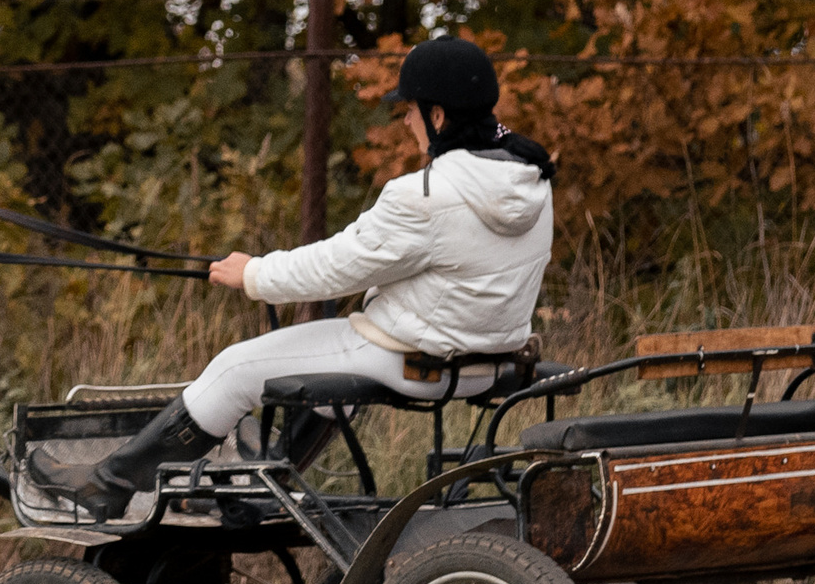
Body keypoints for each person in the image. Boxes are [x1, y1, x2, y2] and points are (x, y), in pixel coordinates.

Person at [29, 37, 557, 520]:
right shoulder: (529, 182)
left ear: (438, 115)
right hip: (488, 363)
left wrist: (253, 273)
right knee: (323, 360)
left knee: (234, 367)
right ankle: (264, 483)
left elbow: (337, 265)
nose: (405, 123)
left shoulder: (423, 196)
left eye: (410, 111)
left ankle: (109, 484)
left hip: (413, 360)